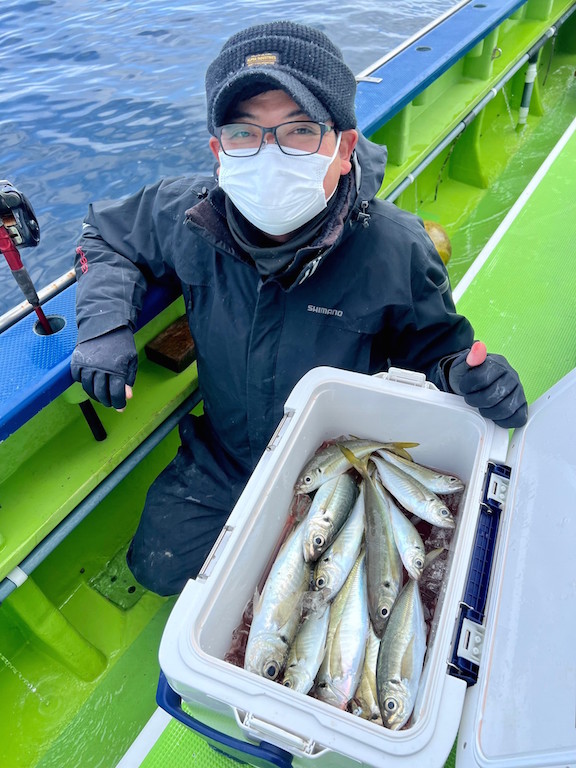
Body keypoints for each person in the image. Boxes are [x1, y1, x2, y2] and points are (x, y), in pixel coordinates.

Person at [70, 20, 527, 596]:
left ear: (343, 149)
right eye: (244, 134)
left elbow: (439, 352)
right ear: (219, 152)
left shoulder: (397, 248)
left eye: (301, 130)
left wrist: (471, 377)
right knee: (157, 569)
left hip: (342, 463)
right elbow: (105, 235)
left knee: (346, 588)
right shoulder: (187, 215)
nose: (269, 154)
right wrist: (106, 326)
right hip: (229, 457)